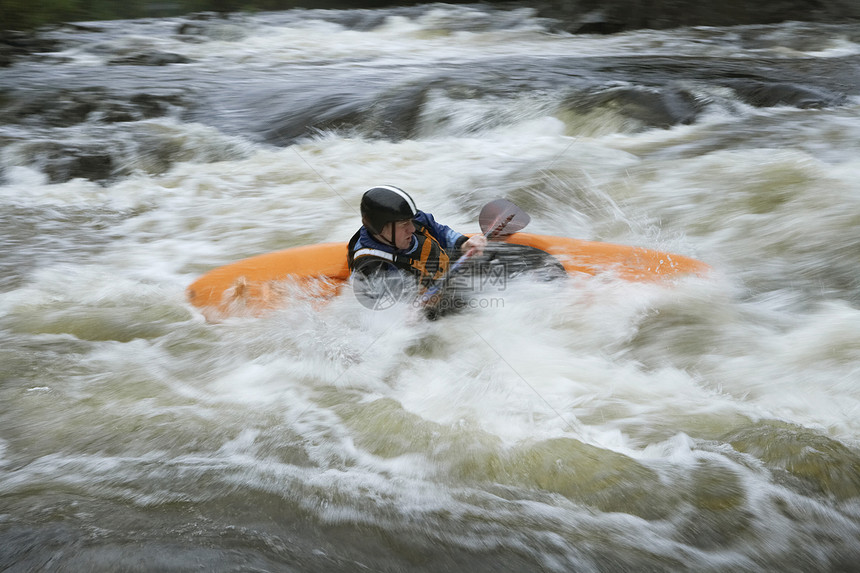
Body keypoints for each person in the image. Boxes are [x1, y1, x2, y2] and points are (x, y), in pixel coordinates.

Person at [347, 185, 487, 311]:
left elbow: (440, 232)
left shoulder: (415, 218)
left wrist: (463, 244)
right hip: (427, 307)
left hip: (448, 274)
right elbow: (374, 309)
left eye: (410, 221)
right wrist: (410, 311)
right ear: (379, 228)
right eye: (404, 225)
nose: (412, 228)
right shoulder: (369, 267)